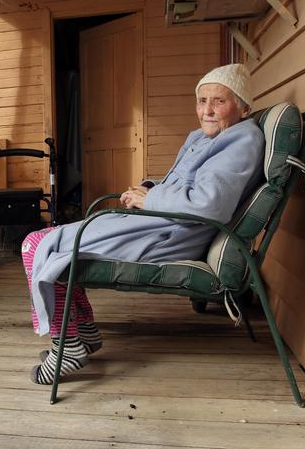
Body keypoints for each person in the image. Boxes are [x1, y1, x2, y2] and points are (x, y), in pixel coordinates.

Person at [21, 63, 265, 384]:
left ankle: (68, 345)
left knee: (36, 244)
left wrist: (149, 201)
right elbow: (187, 183)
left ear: (244, 106)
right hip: (161, 222)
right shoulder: (209, 137)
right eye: (201, 100)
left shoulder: (241, 142)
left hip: (172, 233)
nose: (206, 110)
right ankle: (85, 333)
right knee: (52, 243)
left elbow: (209, 204)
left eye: (219, 101)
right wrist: (150, 187)